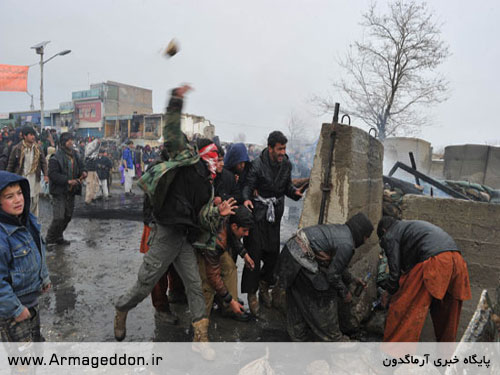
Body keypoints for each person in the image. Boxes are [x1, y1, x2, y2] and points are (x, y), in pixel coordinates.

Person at [114, 85, 235, 360]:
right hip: (166, 231)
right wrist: (176, 100)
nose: (218, 161)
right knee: (146, 283)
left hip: (184, 237)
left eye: (219, 158)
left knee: (193, 285)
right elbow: (170, 130)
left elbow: (202, 217)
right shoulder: (186, 160)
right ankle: (121, 307)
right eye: (214, 156)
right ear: (203, 154)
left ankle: (200, 338)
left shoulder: (208, 186)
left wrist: (219, 212)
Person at [276, 213, 374, 341]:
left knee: (298, 296)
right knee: (324, 295)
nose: (365, 241)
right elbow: (333, 275)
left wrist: (352, 279)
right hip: (298, 259)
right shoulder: (347, 244)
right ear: (360, 233)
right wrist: (345, 293)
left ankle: (298, 336)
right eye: (366, 237)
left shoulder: (342, 231)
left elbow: (337, 266)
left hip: (291, 254)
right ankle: (333, 337)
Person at [377, 217, 472, 342]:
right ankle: (446, 358)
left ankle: (396, 354)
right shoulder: (409, 227)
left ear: (384, 231)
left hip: (435, 261)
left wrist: (388, 292)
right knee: (447, 315)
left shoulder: (391, 234)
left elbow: (394, 272)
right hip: (456, 261)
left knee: (405, 308)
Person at [241, 131, 302, 315]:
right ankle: (252, 293)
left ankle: (264, 284)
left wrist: (295, 193)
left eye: (284, 148)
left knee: (272, 255)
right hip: (258, 215)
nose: (283, 152)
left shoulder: (287, 164)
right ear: (270, 148)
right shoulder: (258, 165)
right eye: (280, 148)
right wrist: (246, 199)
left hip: (274, 216)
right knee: (255, 253)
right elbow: (248, 186)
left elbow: (287, 186)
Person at [0, 171, 51, 342]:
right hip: (13, 311)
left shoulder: (28, 221)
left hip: (31, 301)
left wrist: (43, 278)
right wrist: (16, 310)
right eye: (9, 197)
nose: (17, 200)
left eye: (20, 193)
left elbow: (39, 250)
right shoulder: (2, 235)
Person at [196, 206, 254, 322]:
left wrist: (244, 254)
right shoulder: (218, 242)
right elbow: (213, 276)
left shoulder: (230, 217)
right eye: (244, 230)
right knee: (208, 286)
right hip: (204, 248)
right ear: (234, 226)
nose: (247, 234)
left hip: (215, 246)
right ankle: (200, 323)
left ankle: (230, 308)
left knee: (230, 267)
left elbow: (233, 236)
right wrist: (229, 299)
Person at [46, 133, 87, 246]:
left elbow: (82, 166)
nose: (71, 142)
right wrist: (67, 181)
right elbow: (52, 175)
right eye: (68, 140)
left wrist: (84, 172)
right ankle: (49, 240)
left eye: (71, 140)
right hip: (59, 192)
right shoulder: (55, 158)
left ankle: (59, 236)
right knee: (59, 217)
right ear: (63, 143)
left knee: (68, 216)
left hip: (71, 191)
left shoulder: (75, 155)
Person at [6, 126, 48, 217]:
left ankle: (33, 223)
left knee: (35, 202)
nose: (33, 137)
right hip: (22, 179)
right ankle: (24, 222)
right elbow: (11, 164)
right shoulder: (17, 148)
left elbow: (43, 162)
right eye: (31, 135)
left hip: (34, 179)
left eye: (34, 135)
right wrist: (7, 180)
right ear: (25, 136)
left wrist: (45, 175)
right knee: (23, 201)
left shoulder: (37, 148)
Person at [84, 138, 101, 204]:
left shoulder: (93, 156)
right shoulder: (89, 156)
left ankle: (93, 197)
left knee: (96, 183)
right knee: (90, 184)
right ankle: (88, 199)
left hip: (93, 170)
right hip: (90, 170)